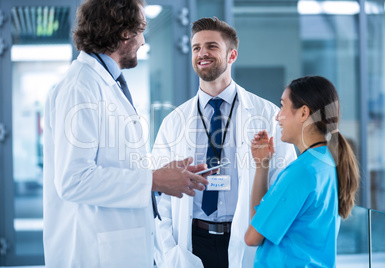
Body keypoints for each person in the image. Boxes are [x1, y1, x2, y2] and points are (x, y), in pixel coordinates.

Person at [42, 1, 209, 267]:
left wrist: (161, 173)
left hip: (117, 246)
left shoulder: (106, 83)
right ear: (123, 33)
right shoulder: (80, 87)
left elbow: (112, 162)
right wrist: (153, 181)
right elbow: (73, 180)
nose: (143, 41)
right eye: (140, 30)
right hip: (93, 250)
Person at [152, 17, 296, 268]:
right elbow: (160, 196)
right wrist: (168, 250)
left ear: (232, 55)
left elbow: (285, 187)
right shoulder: (174, 122)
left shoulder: (266, 115)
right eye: (196, 48)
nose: (202, 53)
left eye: (212, 46)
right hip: (191, 242)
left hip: (246, 240)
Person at [244, 76, 360, 267]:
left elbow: (252, 237)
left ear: (304, 112)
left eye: (283, 106)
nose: (277, 116)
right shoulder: (326, 161)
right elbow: (259, 226)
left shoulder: (301, 172)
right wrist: (262, 165)